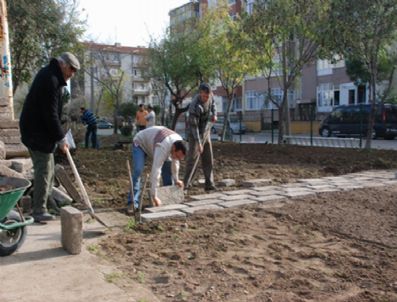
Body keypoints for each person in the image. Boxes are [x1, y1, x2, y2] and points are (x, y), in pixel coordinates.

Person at [20, 52, 80, 222]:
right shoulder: (50, 79)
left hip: (38, 132)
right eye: (71, 69)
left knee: (49, 169)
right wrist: (61, 138)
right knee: (44, 170)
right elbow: (50, 114)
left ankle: (45, 204)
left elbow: (51, 113)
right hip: (36, 133)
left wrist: (59, 137)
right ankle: (39, 210)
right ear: (63, 64)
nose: (72, 74)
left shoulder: (51, 75)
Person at [130, 126, 186, 209]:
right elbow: (156, 171)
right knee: (138, 170)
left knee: (168, 167)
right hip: (140, 143)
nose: (178, 158)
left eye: (180, 157)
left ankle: (168, 198)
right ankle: (133, 203)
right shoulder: (162, 147)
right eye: (177, 155)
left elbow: (175, 162)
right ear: (174, 148)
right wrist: (154, 195)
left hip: (154, 143)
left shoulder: (179, 142)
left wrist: (176, 179)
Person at [184, 83, 217, 191]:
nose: (206, 98)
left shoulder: (210, 97)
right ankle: (186, 184)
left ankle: (209, 183)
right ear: (200, 93)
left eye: (207, 96)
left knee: (208, 157)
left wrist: (215, 114)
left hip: (205, 131)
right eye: (204, 96)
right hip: (194, 134)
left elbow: (213, 105)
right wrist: (198, 143)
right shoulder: (195, 106)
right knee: (192, 159)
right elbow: (194, 127)